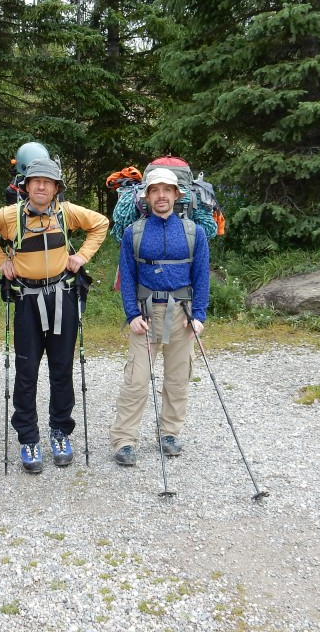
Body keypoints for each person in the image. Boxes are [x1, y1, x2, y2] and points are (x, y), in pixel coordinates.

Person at [0, 158, 109, 473]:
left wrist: (81, 257)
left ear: (56, 188)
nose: (40, 186)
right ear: (25, 186)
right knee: (26, 371)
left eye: (47, 182)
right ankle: (28, 437)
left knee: (62, 369)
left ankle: (60, 431)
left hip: (62, 296)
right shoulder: (10, 216)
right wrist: (0, 261)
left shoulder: (66, 213)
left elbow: (100, 224)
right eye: (35, 181)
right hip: (26, 300)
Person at [109, 167, 210, 466]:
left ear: (177, 195)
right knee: (136, 380)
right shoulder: (134, 233)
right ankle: (124, 440)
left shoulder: (195, 233)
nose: (162, 195)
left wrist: (199, 315)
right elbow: (127, 276)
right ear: (147, 196)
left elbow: (201, 276)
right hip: (146, 314)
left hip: (182, 314)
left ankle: (169, 433)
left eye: (167, 190)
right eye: (155, 190)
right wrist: (131, 315)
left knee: (178, 379)